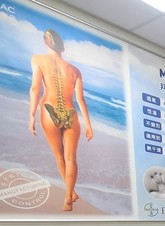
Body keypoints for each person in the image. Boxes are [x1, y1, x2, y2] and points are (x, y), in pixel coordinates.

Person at [28, 29, 93, 212]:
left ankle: (70, 194)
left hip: (50, 111)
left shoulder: (38, 59)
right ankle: (68, 197)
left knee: (59, 156)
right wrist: (88, 125)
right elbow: (80, 99)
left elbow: (35, 88)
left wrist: (32, 115)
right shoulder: (75, 71)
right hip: (71, 114)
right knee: (71, 158)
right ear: (62, 46)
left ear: (45, 43)